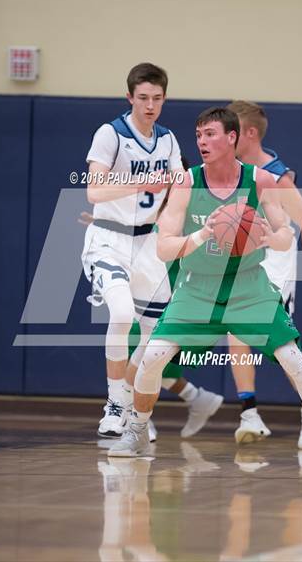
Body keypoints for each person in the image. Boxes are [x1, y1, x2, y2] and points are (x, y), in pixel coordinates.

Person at [108, 107, 302, 467]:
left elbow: (288, 234)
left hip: (248, 286)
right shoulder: (186, 183)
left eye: (210, 134)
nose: (202, 142)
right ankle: (137, 429)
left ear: (232, 137)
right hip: (197, 288)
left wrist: (273, 236)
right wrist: (204, 233)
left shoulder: (262, 181)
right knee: (153, 356)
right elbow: (164, 247)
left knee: (291, 357)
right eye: (198, 135)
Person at [81, 63, 220, 440]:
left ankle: (129, 404)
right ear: (130, 97)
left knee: (153, 338)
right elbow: (94, 191)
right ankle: (113, 406)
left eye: (157, 98)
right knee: (122, 313)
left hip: (148, 242)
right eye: (143, 98)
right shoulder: (110, 134)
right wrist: (141, 183)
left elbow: (180, 185)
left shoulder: (169, 140)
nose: (150, 105)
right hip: (109, 237)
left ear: (164, 99)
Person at [226, 101, 302, 446]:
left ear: (250, 134)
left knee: (282, 347)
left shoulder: (279, 177)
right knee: (236, 336)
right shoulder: (231, 169)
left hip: (275, 268)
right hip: (244, 265)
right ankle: (250, 414)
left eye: (233, 131)